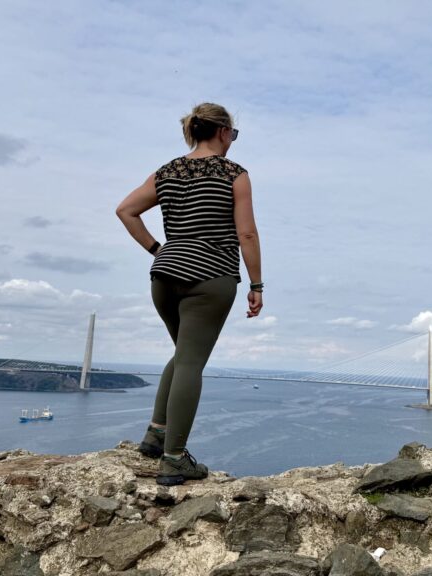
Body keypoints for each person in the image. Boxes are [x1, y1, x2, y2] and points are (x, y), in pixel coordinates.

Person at [115, 102, 263, 486]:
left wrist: (157, 249)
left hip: (164, 276)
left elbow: (126, 210)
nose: (232, 140)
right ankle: (175, 459)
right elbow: (246, 234)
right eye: (233, 134)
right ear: (222, 132)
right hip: (211, 275)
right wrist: (256, 284)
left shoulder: (168, 171)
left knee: (183, 355)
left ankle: (156, 433)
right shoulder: (234, 174)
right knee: (191, 363)